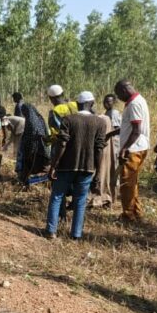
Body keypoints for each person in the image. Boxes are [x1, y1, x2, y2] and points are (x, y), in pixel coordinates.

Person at [45, 92, 107, 240]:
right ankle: (76, 235)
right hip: (87, 167)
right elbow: (99, 149)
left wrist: (54, 165)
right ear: (92, 104)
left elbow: (62, 144)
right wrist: (98, 172)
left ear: (77, 104)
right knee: (80, 201)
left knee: (57, 196)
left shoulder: (68, 119)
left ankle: (51, 231)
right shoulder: (100, 122)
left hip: (66, 166)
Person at [111, 80, 150, 223]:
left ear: (123, 90)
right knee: (132, 183)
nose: (119, 98)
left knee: (127, 184)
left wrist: (125, 148)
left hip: (133, 149)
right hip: (138, 147)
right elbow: (129, 126)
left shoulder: (134, 104)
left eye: (118, 95)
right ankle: (136, 212)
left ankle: (128, 216)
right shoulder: (137, 100)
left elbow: (136, 130)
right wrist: (110, 134)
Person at [18, 103, 51, 184]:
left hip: (35, 149)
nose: (23, 114)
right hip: (43, 148)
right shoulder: (40, 118)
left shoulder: (30, 121)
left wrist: (29, 151)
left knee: (33, 166)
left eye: (23, 111)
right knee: (41, 166)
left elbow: (31, 138)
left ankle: (31, 182)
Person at [103, 94, 122, 159]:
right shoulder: (107, 112)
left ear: (113, 103)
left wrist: (107, 135)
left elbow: (117, 129)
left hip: (115, 141)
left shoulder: (114, 113)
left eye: (108, 102)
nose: (106, 104)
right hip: (111, 139)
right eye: (105, 102)